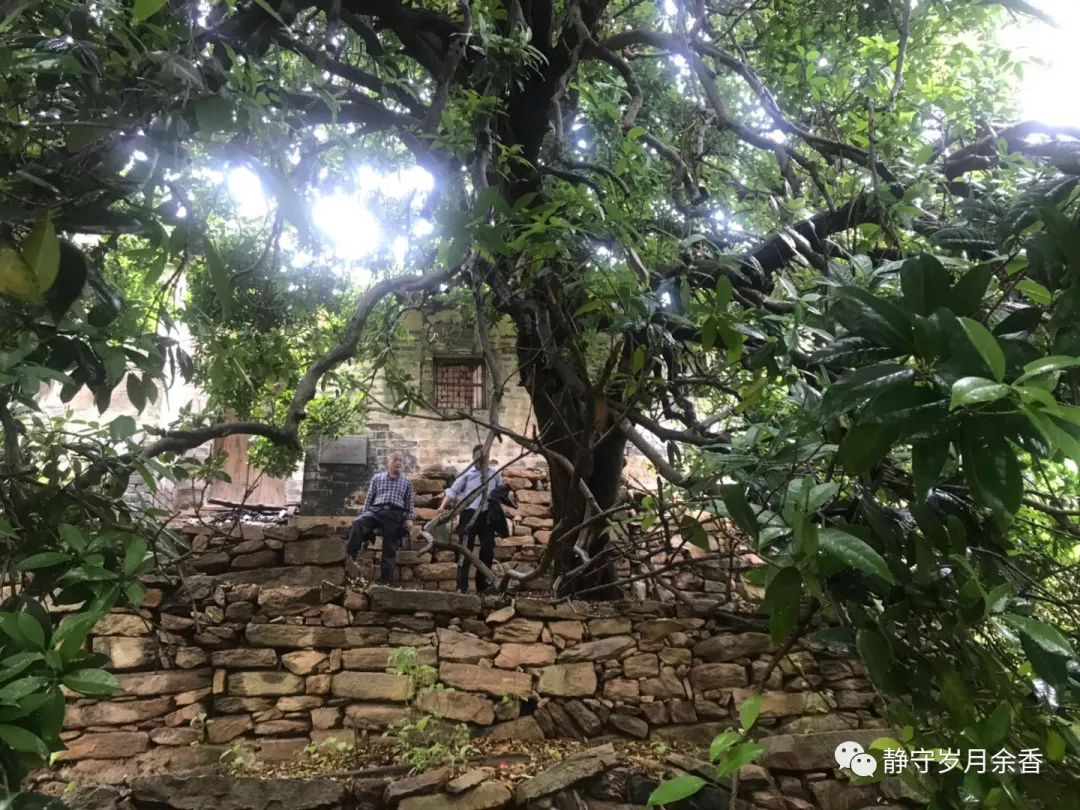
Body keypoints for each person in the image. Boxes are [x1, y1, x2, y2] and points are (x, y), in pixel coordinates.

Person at [436, 444, 513, 593]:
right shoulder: (467, 474)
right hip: (469, 515)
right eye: (478, 457)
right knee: (465, 551)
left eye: (484, 456)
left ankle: (482, 586)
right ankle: (461, 587)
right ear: (473, 458)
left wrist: (506, 497)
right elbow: (452, 491)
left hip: (487, 517)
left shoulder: (494, 474)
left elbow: (501, 492)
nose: (482, 459)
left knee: (487, 551)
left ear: (488, 458)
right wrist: (442, 507)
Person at [345, 452, 415, 584]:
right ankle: (349, 560)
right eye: (395, 460)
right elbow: (369, 499)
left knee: (389, 548)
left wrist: (409, 518)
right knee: (358, 523)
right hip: (376, 511)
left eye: (401, 461)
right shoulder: (377, 478)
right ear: (388, 462)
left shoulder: (406, 481)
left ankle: (385, 582)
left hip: (395, 514)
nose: (398, 463)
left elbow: (409, 503)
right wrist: (364, 514)